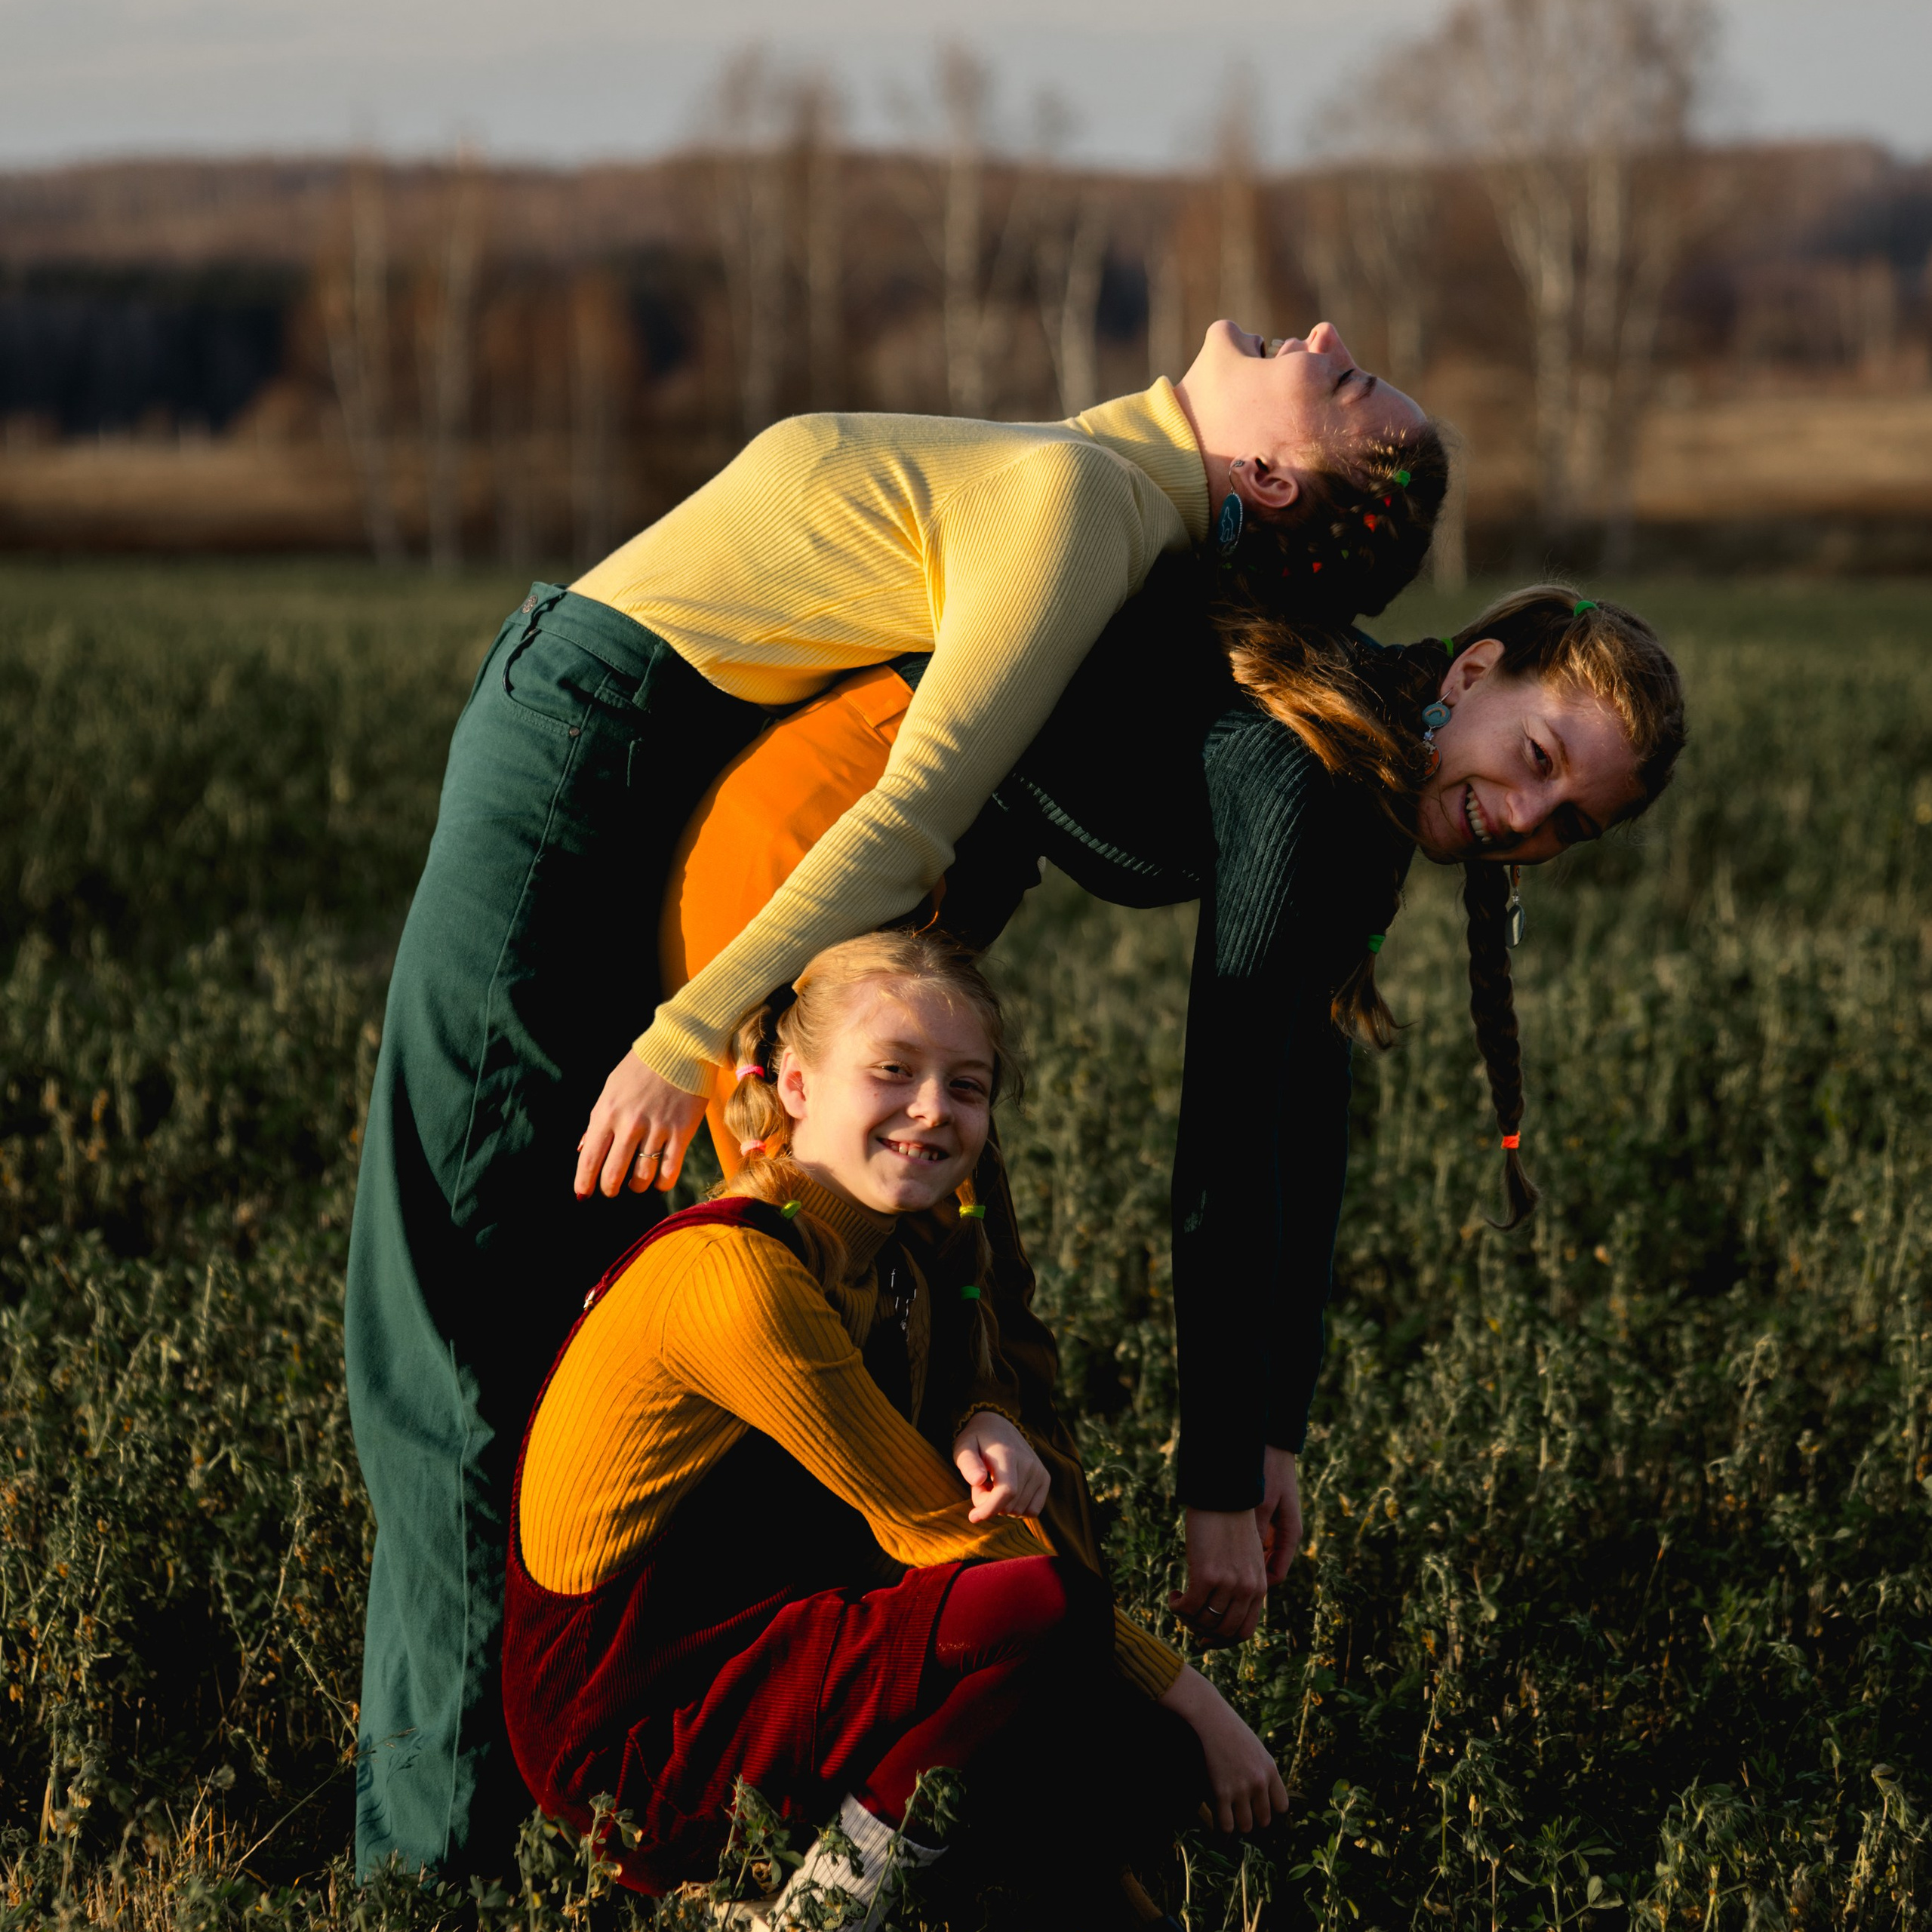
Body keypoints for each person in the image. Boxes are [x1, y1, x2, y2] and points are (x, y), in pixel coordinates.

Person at [346, 318, 1443, 1877]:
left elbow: (910, 806)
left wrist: (690, 1029)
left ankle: (430, 1870)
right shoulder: (1104, 493)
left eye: (1344, 388)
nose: (1326, 335)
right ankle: (540, 1826)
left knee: (442, 1333)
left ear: (1268, 475)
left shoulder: (1076, 504)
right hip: (641, 793)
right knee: (523, 1330)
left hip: (584, 763)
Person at [654, 575, 1688, 1653]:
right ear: (1474, 674)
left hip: (908, 901)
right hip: (825, 832)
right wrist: (1217, 1492)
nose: (1523, 818)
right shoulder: (1309, 769)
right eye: (1536, 759)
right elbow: (1231, 1139)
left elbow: (1305, 1115)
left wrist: (1271, 1433)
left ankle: (994, 1711)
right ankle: (784, 1718)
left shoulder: (1368, 776)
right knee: (855, 1331)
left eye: (1568, 823)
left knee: (983, 1342)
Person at [503, 933, 1283, 1924]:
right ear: (793, 1085)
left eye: (967, 1085)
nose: (932, 1110)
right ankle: (818, 1915)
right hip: (628, 1737)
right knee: (1037, 1615)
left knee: (1128, 1751)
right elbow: (934, 1532)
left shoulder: (910, 1250)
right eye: (893, 1072)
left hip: (759, 1649)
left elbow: (971, 1361)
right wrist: (1195, 1697)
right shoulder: (736, 1277)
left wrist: (982, 1413)